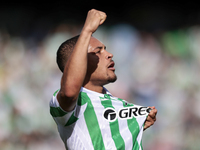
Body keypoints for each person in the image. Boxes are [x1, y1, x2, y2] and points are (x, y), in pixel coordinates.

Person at [50, 9, 157, 150]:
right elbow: (69, 91)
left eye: (105, 49)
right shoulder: (69, 103)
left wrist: (133, 125)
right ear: (78, 60)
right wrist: (87, 30)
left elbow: (106, 139)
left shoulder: (118, 104)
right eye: (97, 52)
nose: (109, 54)